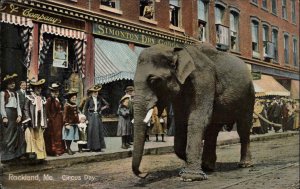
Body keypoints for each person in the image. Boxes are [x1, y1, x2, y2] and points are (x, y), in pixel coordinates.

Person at [0, 73, 26, 161]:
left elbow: (18, 105)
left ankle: (16, 154)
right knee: (8, 134)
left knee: (17, 134)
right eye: (10, 83)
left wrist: (19, 115)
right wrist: (4, 117)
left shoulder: (16, 93)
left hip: (15, 114)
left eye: (13, 83)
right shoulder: (3, 93)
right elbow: (2, 106)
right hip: (8, 114)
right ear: (6, 84)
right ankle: (6, 155)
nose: (12, 84)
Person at [23, 78, 47, 160]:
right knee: (31, 136)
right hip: (32, 120)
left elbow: (44, 111)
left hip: (40, 120)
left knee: (39, 136)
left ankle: (40, 155)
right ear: (33, 89)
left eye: (40, 88)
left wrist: (45, 121)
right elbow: (25, 109)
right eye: (37, 88)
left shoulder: (42, 98)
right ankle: (33, 153)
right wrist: (28, 119)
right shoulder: (29, 98)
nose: (39, 90)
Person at [84, 84, 109, 152]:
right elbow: (85, 109)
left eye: (97, 92)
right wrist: (85, 119)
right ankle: (91, 147)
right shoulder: (88, 99)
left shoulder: (100, 98)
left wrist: (101, 109)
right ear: (92, 92)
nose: (96, 93)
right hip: (91, 116)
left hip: (97, 116)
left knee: (99, 131)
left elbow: (107, 105)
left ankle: (99, 147)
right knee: (91, 131)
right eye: (94, 92)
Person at [44, 83, 65, 156]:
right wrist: (50, 118)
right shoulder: (49, 100)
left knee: (59, 135)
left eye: (57, 91)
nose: (56, 93)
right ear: (51, 92)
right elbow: (47, 110)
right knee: (54, 135)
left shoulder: (58, 99)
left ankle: (60, 149)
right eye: (54, 91)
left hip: (59, 119)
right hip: (53, 120)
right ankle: (54, 151)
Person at [62, 89, 80, 155]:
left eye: (75, 98)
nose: (74, 99)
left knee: (72, 137)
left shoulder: (75, 105)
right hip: (69, 124)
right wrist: (66, 123)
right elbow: (65, 115)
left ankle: (69, 148)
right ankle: (68, 148)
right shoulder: (67, 105)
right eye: (72, 98)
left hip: (74, 123)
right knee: (68, 137)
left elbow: (76, 113)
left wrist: (78, 120)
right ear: (69, 98)